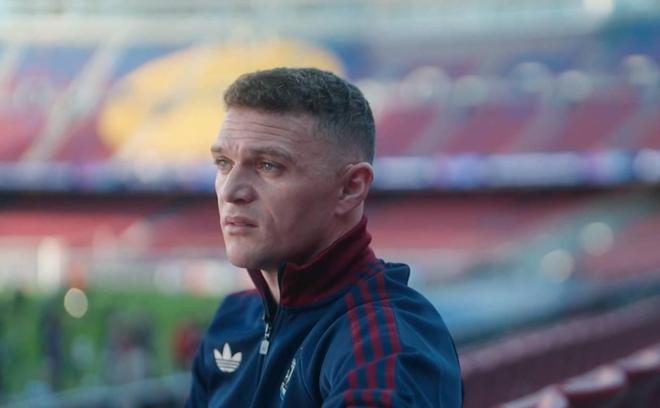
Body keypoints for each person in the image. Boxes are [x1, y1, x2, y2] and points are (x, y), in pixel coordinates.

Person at [187, 67, 462, 407]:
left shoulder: (385, 342)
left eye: (268, 165)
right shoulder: (233, 319)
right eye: (223, 163)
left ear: (350, 188)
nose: (230, 191)